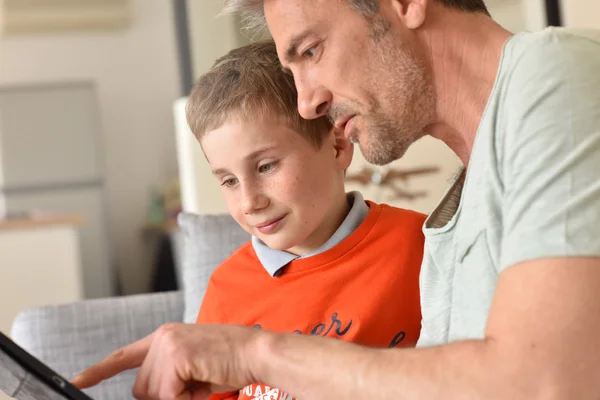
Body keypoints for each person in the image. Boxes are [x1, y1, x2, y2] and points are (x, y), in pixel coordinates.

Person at [71, 0, 600, 398]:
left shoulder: (556, 75)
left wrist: (256, 352)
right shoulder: (454, 218)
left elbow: (547, 380)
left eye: (310, 50)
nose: (308, 101)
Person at [188, 41, 425, 400]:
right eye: (229, 181)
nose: (250, 201)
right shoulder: (226, 290)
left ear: (337, 147)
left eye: (266, 166)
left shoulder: (418, 245)